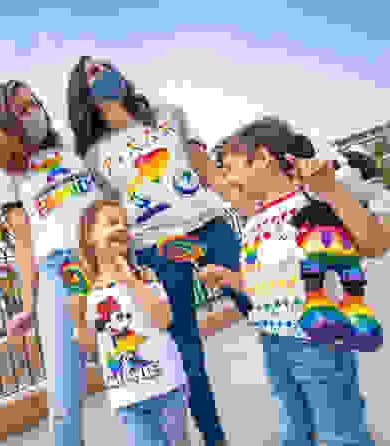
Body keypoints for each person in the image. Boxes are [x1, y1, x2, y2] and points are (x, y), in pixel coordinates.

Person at [67, 56, 252, 446]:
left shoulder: (169, 115)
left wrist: (253, 205)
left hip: (211, 228)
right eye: (93, 73)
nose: (105, 73)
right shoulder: (92, 156)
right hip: (156, 248)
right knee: (188, 354)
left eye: (107, 66)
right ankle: (215, 440)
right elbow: (106, 214)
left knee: (262, 301)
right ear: (83, 92)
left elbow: (208, 172)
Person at [210, 117, 390, 445]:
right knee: (295, 430)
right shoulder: (254, 221)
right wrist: (228, 279)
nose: (227, 178)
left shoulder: (313, 203)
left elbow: (375, 243)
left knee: (340, 431)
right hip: (273, 339)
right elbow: (266, 286)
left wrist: (331, 189)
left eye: (230, 167)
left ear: (264, 158)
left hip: (318, 339)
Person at [0, 79, 102, 446]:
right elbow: (24, 241)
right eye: (21, 109)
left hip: (105, 256)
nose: (33, 111)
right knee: (65, 389)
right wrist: (27, 303)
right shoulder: (8, 172)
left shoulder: (71, 142)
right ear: (4, 123)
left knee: (138, 367)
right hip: (59, 270)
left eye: (34, 102)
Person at [71, 200, 243, 446]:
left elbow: (163, 318)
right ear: (89, 237)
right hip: (127, 400)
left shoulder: (144, 275)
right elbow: (92, 350)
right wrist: (78, 320)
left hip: (166, 391)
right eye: (111, 223)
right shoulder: (87, 293)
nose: (121, 228)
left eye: (124, 224)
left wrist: (130, 281)